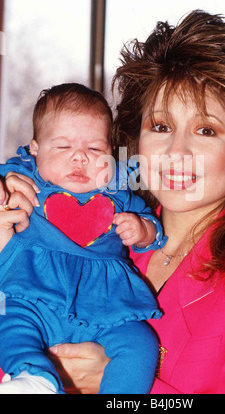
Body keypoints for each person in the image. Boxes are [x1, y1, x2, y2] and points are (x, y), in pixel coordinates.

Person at [1, 10, 225, 394]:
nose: (176, 151)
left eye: (206, 130)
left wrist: (113, 387)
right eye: (160, 127)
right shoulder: (106, 235)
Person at [0, 83, 167, 394]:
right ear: (35, 149)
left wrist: (143, 231)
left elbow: (152, 226)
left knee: (141, 343)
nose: (79, 158)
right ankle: (33, 376)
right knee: (8, 320)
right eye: (63, 147)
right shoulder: (24, 179)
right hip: (33, 294)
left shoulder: (117, 190)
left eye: (94, 149)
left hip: (105, 303)